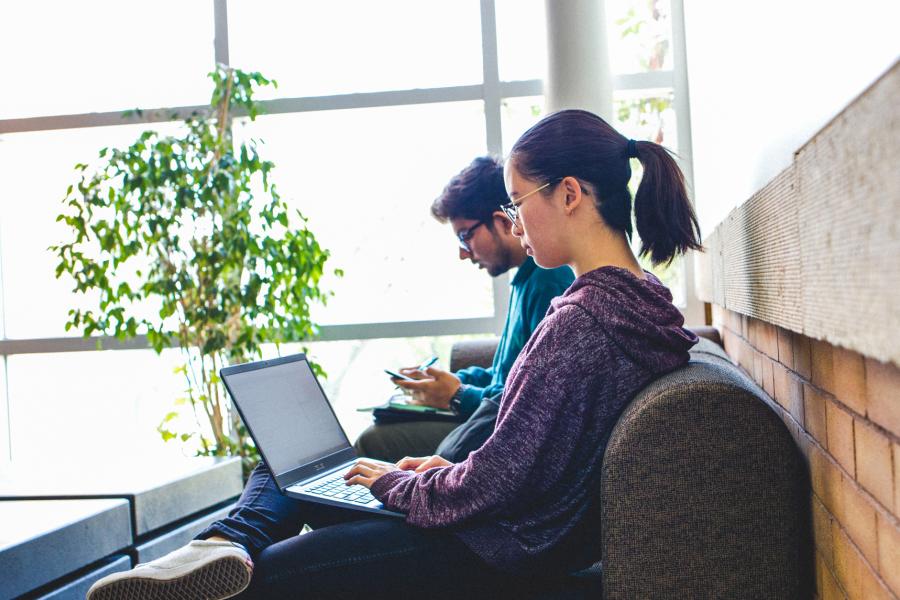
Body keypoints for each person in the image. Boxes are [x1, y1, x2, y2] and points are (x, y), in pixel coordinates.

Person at [87, 108, 702, 600]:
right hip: (493, 529)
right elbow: (524, 457)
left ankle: (230, 547)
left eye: (517, 201)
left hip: (487, 550)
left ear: (569, 194)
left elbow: (503, 480)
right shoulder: (631, 304)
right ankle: (222, 543)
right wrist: (427, 473)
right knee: (295, 469)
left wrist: (403, 485)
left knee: (267, 568)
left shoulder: (588, 318)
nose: (514, 219)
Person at [354, 155, 574, 463]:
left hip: (498, 431)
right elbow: (505, 375)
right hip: (487, 416)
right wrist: (447, 379)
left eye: (464, 236)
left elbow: (531, 403)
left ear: (500, 220)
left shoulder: (548, 281)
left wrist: (457, 394)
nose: (462, 253)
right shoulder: (526, 279)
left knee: (370, 441)